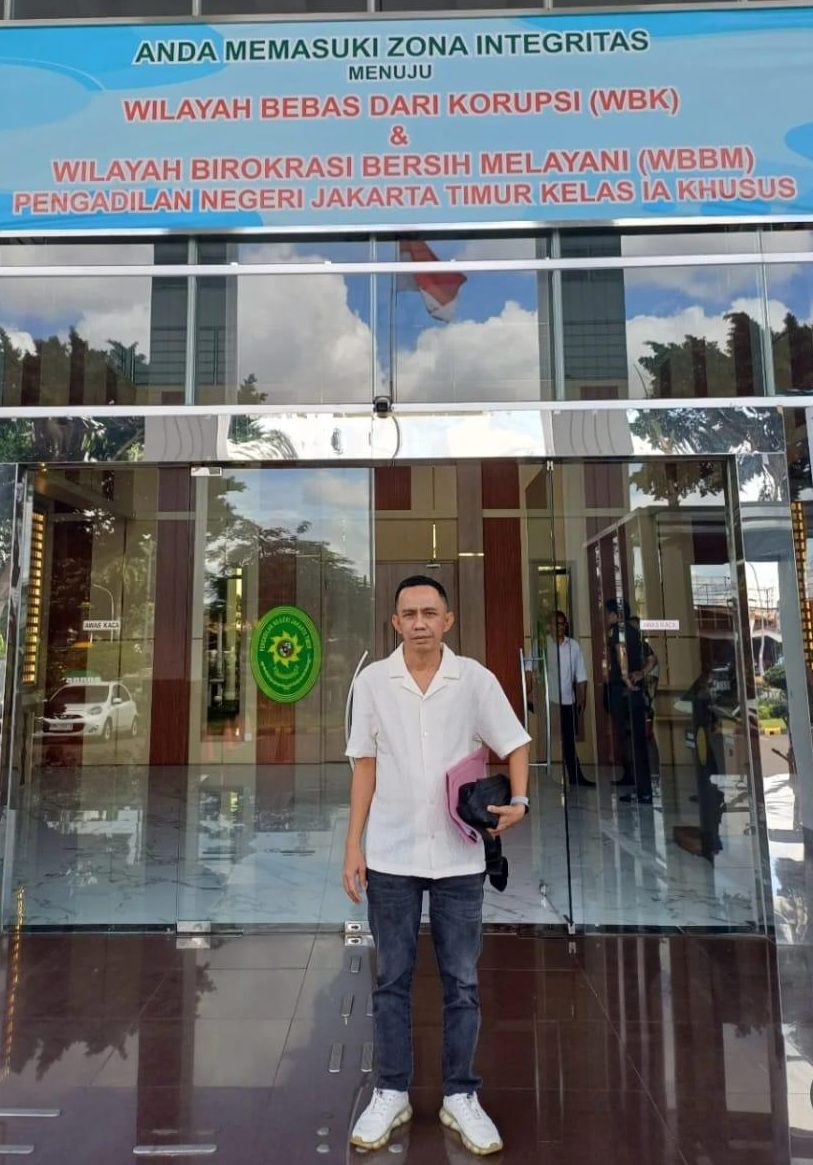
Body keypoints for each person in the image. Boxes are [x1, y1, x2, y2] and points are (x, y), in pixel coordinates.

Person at [343, 575, 531, 1156]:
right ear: (395, 623)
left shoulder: (473, 679)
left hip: (458, 855)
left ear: (447, 621)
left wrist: (520, 800)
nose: (420, 622)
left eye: (430, 612)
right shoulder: (373, 683)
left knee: (462, 981)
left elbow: (515, 742)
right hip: (392, 853)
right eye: (409, 614)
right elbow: (364, 766)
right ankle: (391, 1090)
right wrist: (353, 845)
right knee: (391, 979)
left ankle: (460, 1095)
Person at [605, 598, 653, 804]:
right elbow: (652, 659)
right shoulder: (635, 632)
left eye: (609, 614)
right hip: (635, 691)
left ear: (616, 614)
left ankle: (642, 788)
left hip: (624, 692)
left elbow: (620, 654)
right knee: (636, 740)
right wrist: (641, 674)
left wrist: (626, 679)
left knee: (630, 738)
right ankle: (639, 785)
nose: (607, 618)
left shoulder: (617, 631)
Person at [547, 610, 595, 788]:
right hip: (549, 701)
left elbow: (581, 674)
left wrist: (582, 697)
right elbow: (531, 668)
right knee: (546, 740)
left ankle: (575, 777)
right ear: (550, 626)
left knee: (569, 741)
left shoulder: (573, 646)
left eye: (562, 624)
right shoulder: (543, 644)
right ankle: (544, 779)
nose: (560, 627)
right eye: (556, 624)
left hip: (568, 701)